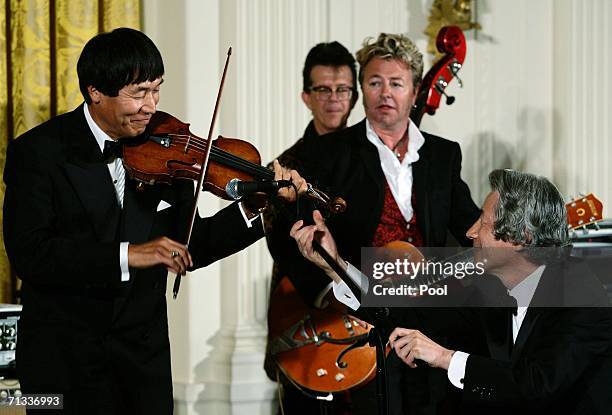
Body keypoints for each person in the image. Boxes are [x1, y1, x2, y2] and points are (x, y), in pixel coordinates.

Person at [2, 27, 305, 415]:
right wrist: (130, 254)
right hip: (63, 364)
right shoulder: (38, 152)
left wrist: (259, 205)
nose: (151, 105)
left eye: (156, 89)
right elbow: (32, 255)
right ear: (95, 92)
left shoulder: (166, 144)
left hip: (142, 365)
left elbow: (189, 244)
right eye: (138, 93)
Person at [268, 33, 480, 415]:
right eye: (374, 82)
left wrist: (513, 235)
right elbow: (296, 240)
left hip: (427, 329)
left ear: (415, 91)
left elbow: (472, 229)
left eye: (396, 83)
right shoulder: (332, 152)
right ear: (361, 91)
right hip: (359, 329)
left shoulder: (443, 156)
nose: (385, 93)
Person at [293, 169, 612, 414]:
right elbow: (406, 313)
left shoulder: (583, 297)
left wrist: (444, 357)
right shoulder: (491, 287)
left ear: (520, 237)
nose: (470, 232)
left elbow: (536, 387)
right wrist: (334, 264)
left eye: (483, 223)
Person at [263, 40, 358, 415]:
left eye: (342, 89)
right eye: (323, 89)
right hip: (308, 319)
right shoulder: (287, 166)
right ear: (306, 96)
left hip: (361, 311)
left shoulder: (370, 156)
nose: (334, 99)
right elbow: (282, 248)